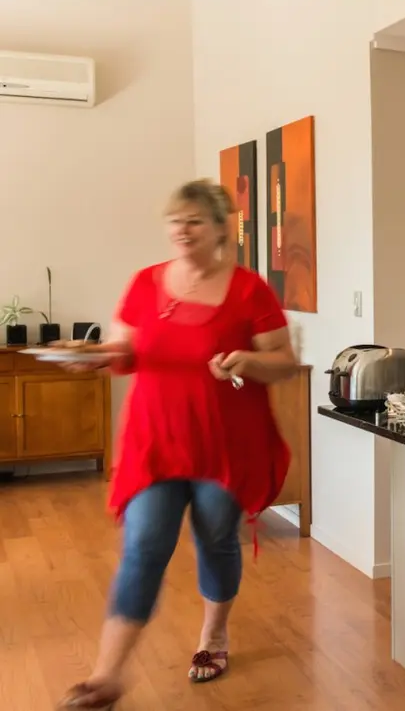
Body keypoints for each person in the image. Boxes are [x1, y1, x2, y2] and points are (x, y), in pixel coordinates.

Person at [58, 180, 298, 709]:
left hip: (225, 445)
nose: (182, 230)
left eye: (194, 221)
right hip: (156, 442)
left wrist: (249, 360)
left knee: (215, 539)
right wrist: (94, 357)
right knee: (144, 546)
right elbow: (126, 351)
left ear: (219, 228)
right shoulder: (144, 283)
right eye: (175, 221)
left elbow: (285, 361)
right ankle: (106, 676)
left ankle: (214, 634)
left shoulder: (249, 289)